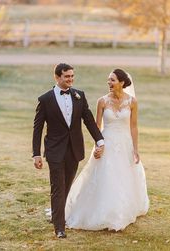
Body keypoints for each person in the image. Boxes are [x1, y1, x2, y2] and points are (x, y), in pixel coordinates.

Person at [65, 69, 149, 231]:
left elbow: (133, 126)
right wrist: (98, 145)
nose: (109, 83)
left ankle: (121, 210)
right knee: (106, 174)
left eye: (113, 80)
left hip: (125, 143)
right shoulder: (102, 101)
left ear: (122, 83)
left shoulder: (132, 102)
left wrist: (136, 149)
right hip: (107, 142)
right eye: (108, 80)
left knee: (123, 175)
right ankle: (102, 211)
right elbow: (96, 127)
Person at [32, 63, 104, 238]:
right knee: (58, 187)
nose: (70, 79)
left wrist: (100, 140)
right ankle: (59, 227)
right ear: (57, 77)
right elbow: (38, 128)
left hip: (74, 149)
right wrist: (36, 153)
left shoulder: (80, 96)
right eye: (67, 76)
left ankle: (57, 215)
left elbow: (88, 120)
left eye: (72, 76)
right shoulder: (45, 99)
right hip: (55, 150)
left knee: (66, 185)